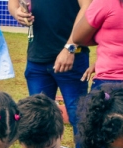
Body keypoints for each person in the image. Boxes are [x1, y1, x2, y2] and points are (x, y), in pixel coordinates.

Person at [7, 0, 90, 139]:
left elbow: (87, 7)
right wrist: (17, 12)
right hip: (37, 58)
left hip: (72, 58)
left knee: (79, 118)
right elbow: (13, 3)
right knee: (38, 118)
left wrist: (70, 47)